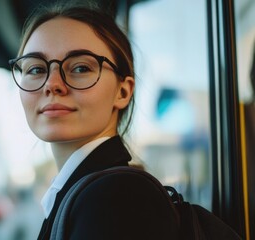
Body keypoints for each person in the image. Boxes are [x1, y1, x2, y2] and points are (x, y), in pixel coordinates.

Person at [9, 2, 179, 239]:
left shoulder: (118, 197)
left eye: (80, 68)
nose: (52, 84)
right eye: (36, 69)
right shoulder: (87, 192)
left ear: (123, 92)